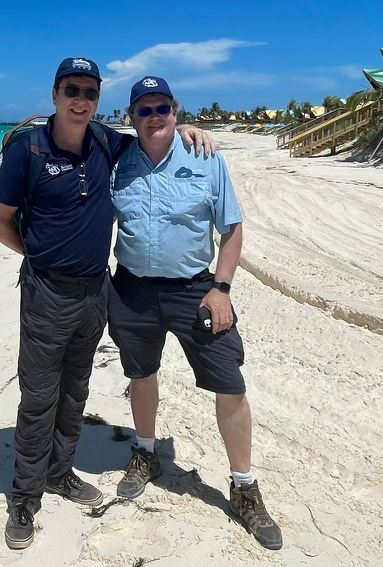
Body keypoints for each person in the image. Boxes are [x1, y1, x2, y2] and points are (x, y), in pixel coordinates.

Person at [0, 58, 214, 550]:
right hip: (46, 292)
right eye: (72, 89)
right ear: (54, 93)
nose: (81, 100)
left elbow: (154, 138)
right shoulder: (27, 149)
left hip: (96, 291)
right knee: (39, 394)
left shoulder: (107, 143)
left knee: (76, 389)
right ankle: (24, 496)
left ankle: (60, 472)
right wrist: (40, 254)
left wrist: (183, 126)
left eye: (90, 93)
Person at [108, 75, 282, 551]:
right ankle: (146, 453)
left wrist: (221, 289)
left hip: (196, 291)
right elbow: (60, 133)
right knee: (141, 375)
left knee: (229, 383)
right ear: (131, 118)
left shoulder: (207, 158)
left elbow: (232, 228)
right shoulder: (115, 161)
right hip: (132, 290)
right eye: (143, 110)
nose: (154, 117)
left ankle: (244, 485)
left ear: (175, 112)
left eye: (162, 108)